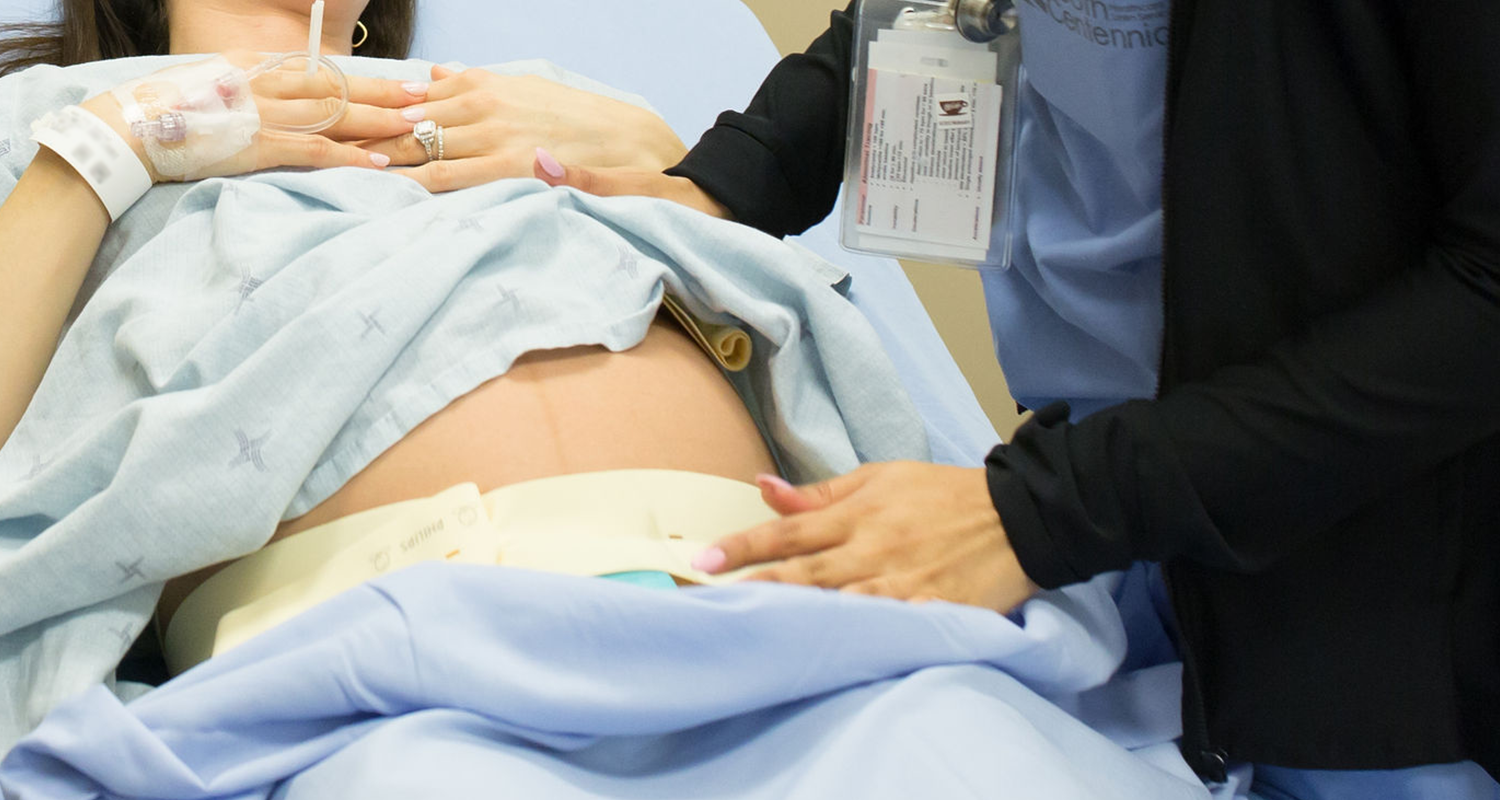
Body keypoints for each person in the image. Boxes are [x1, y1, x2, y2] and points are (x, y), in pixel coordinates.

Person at [537, 0, 1500, 796]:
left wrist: (1045, 510)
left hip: (1377, 613)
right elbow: (945, 14)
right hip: (1114, 555)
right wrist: (734, 183)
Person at [0, 0, 925, 747]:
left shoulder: (541, 100)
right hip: (390, 662)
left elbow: (740, 285)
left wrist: (656, 144)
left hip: (800, 605)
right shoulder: (50, 116)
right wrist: (107, 150)